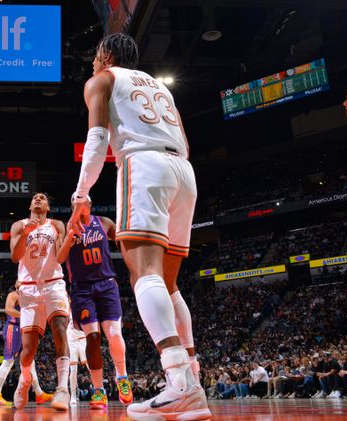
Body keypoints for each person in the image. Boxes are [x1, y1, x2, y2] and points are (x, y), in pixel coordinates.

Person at [68, 33, 210, 420]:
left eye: (96, 56)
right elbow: (184, 140)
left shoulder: (103, 80)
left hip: (144, 165)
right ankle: (193, 380)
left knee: (143, 273)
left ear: (108, 56)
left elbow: (97, 141)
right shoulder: (161, 89)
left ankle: (178, 380)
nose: (93, 64)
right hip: (184, 171)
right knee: (168, 282)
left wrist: (82, 195)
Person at [58, 196, 132, 409]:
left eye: (83, 202)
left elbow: (123, 241)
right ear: (72, 206)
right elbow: (60, 258)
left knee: (115, 334)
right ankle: (99, 390)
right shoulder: (66, 227)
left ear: (89, 204)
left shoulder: (104, 222)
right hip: (82, 289)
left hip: (106, 284)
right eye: (75, 203)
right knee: (93, 338)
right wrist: (70, 237)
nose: (79, 206)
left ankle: (122, 377)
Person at [10, 193, 72, 411]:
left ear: (47, 206)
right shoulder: (19, 225)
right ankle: (25, 380)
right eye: (35, 197)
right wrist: (25, 234)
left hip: (54, 284)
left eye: (42, 198)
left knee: (60, 330)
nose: (38, 199)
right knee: (28, 350)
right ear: (30, 205)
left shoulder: (56, 225)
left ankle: (63, 389)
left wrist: (70, 241)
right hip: (29, 289)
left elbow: (61, 257)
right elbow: (15, 256)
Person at [0, 284, 52, 406]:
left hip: (24, 329)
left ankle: (39, 394)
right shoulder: (13, 295)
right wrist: (26, 314)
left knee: (29, 361)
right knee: (9, 361)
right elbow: (8, 309)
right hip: (13, 329)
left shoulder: (29, 297)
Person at [66, 309, 87, 406]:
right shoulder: (65, 309)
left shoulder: (83, 306)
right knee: (73, 370)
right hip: (71, 341)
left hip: (83, 339)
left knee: (90, 367)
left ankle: (99, 391)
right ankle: (73, 396)